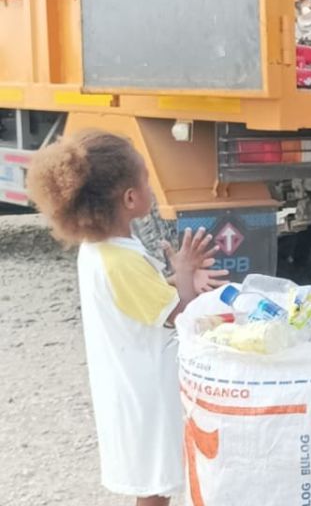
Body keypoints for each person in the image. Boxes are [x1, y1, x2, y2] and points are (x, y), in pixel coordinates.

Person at [25, 131, 224, 506]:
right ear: (131, 198)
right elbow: (176, 314)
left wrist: (179, 279)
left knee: (152, 484)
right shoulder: (122, 262)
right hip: (145, 393)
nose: (151, 187)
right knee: (154, 485)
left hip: (129, 386)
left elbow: (140, 301)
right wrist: (184, 273)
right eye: (146, 181)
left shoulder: (100, 251)